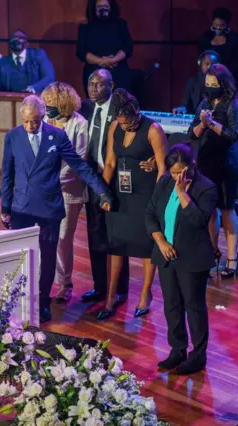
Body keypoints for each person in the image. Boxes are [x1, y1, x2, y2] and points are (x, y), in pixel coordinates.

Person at [1, 95, 113, 323]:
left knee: (49, 256)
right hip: (21, 207)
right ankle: (20, 300)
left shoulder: (58, 135)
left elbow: (79, 166)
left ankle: (43, 301)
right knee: (21, 255)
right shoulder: (12, 136)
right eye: (26, 122)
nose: (30, 126)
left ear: (44, 115)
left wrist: (102, 190)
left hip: (49, 208)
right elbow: (7, 173)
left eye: (34, 121)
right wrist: (5, 207)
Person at [78, 69, 156, 306]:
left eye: (99, 85)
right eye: (90, 84)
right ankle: (100, 287)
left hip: (122, 182)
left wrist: (153, 159)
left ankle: (120, 290)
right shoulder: (84, 108)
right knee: (96, 234)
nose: (93, 89)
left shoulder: (123, 106)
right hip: (94, 179)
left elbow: (152, 135)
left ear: (111, 85)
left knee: (118, 236)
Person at [146, 144, 217, 375]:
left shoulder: (206, 188)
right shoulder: (164, 182)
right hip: (166, 254)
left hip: (192, 257)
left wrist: (182, 193)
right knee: (172, 305)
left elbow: (199, 221)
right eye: (174, 172)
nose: (177, 177)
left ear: (192, 165)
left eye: (181, 171)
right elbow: (150, 214)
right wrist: (161, 242)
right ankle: (177, 349)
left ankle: (198, 355)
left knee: (194, 307)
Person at [99, 88, 168, 320]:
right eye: (123, 123)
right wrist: (102, 192)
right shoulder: (114, 128)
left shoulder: (153, 130)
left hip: (145, 196)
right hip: (121, 194)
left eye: (130, 123)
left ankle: (145, 294)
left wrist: (156, 202)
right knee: (116, 245)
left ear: (137, 112)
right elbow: (109, 163)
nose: (127, 127)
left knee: (146, 246)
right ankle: (111, 295)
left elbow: (163, 169)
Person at [187, 63, 238, 279]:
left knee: (227, 209)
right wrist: (202, 124)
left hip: (226, 163)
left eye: (214, 84)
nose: (210, 87)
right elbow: (192, 133)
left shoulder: (234, 105)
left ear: (224, 83)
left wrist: (211, 124)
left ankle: (232, 259)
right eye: (208, 83)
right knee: (209, 209)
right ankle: (212, 253)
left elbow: (233, 135)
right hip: (206, 161)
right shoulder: (205, 102)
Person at [41, 82, 89, 304]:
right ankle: (42, 281)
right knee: (41, 237)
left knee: (62, 239)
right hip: (43, 190)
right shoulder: (42, 121)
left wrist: (53, 179)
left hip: (68, 190)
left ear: (63, 104)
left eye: (51, 104)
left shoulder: (79, 124)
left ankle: (64, 283)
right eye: (46, 103)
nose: (47, 107)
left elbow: (77, 160)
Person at [77, 0, 133, 94]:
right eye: (99, 7)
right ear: (93, 8)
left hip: (119, 73)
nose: (103, 9)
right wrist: (102, 62)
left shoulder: (120, 24)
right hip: (94, 73)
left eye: (105, 6)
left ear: (111, 7)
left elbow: (128, 47)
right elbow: (81, 52)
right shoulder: (85, 27)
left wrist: (113, 60)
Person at [0, 29, 55, 94]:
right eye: (13, 38)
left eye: (20, 38)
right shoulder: (3, 62)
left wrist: (33, 88)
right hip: (10, 102)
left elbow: (49, 77)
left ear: (27, 43)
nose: (16, 40)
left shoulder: (38, 55)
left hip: (35, 101)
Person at [199, 8, 238, 80]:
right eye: (215, 25)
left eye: (222, 25)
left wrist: (224, 74)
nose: (218, 28)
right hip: (208, 77)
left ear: (227, 25)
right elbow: (201, 57)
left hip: (228, 77)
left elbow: (237, 61)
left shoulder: (234, 38)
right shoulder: (205, 37)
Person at [173, 50, 220, 115]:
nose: (209, 67)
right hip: (195, 119)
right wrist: (182, 109)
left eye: (213, 64)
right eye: (206, 64)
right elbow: (185, 104)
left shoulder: (221, 83)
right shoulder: (192, 82)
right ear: (200, 64)